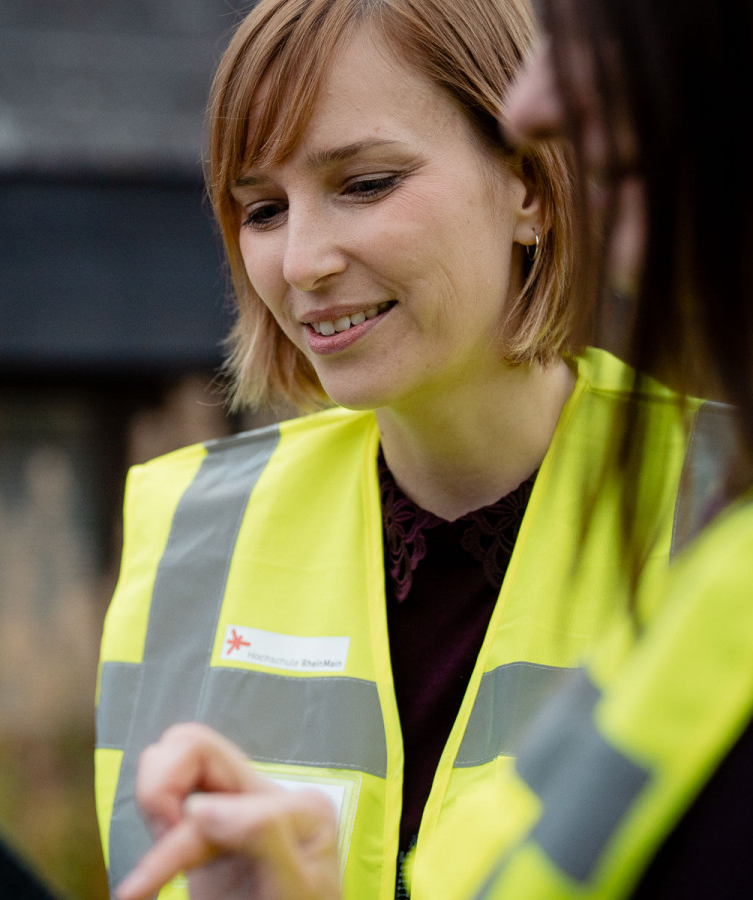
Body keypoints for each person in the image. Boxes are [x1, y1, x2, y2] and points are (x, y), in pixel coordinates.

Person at [116, 0, 753, 898]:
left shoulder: (723, 498)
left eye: (366, 184)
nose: (301, 262)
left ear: (530, 185)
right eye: (262, 208)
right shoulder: (187, 533)